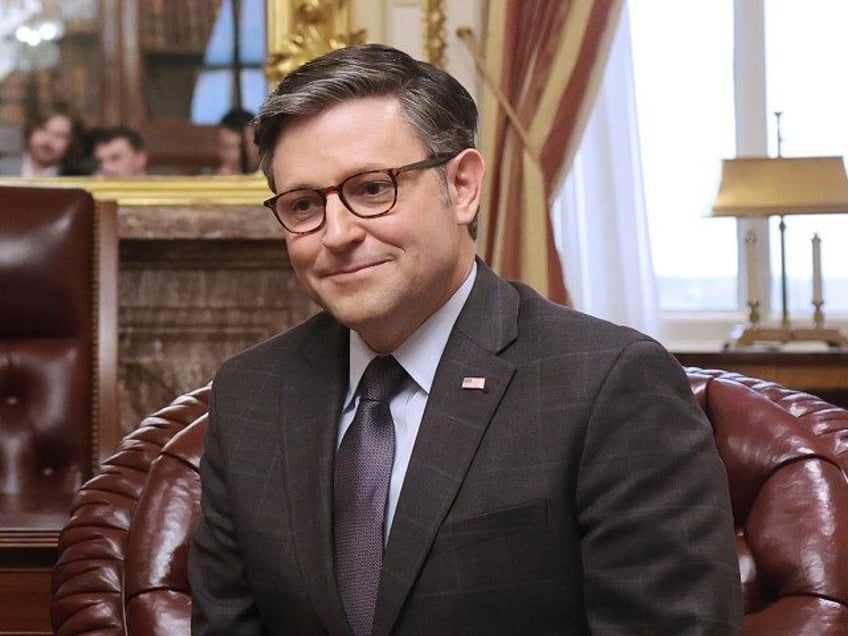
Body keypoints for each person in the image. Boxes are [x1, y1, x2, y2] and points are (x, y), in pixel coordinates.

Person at [189, 44, 743, 635]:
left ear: (463, 186)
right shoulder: (250, 392)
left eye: (373, 189)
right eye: (303, 205)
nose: (338, 234)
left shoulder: (610, 384)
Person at [6, 101, 88, 176]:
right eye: (43, 130)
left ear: (71, 144)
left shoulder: (76, 179)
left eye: (59, 135)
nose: (48, 140)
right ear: (31, 130)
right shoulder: (3, 169)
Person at [216, 107, 259, 174]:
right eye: (227, 147)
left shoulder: (274, 180)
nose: (236, 155)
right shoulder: (211, 181)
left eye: (243, 147)